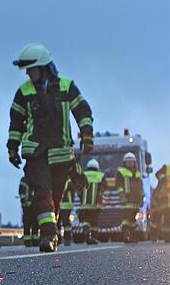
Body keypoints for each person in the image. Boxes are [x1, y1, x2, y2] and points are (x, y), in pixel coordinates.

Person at [6, 43, 94, 252]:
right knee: (42, 193)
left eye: (31, 69)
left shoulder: (66, 86)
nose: (28, 73)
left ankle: (51, 231)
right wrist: (12, 148)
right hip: (35, 152)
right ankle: (48, 237)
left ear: (43, 67)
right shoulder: (24, 92)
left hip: (61, 153)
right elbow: (16, 122)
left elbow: (82, 111)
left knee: (55, 196)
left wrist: (87, 136)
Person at [116, 151, 144, 243]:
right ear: (125, 162)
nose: (130, 163)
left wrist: (142, 198)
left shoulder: (138, 173)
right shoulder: (121, 172)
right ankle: (126, 236)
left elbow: (141, 187)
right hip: (127, 199)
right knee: (126, 220)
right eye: (128, 162)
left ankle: (131, 237)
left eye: (132, 161)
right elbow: (119, 186)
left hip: (136, 200)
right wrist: (122, 196)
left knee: (132, 221)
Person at [77, 158, 104, 244]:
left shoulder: (83, 174)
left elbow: (79, 188)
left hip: (85, 204)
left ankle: (86, 235)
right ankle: (94, 238)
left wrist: (81, 196)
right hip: (96, 205)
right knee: (94, 222)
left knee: (86, 221)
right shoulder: (100, 175)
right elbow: (104, 186)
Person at [19, 176, 37, 247]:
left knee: (35, 223)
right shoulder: (24, 179)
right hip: (27, 206)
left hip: (34, 205)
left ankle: (35, 240)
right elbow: (21, 192)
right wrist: (24, 202)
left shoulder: (35, 179)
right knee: (27, 223)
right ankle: (27, 241)